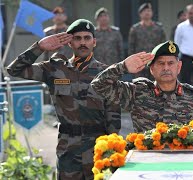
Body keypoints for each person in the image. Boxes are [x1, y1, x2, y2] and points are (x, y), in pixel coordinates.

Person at [6, 19, 121, 180]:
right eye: (77, 38)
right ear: (70, 43)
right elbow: (14, 69)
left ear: (94, 42)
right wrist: (39, 47)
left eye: (87, 38)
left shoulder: (106, 73)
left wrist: (112, 149)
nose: (82, 43)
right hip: (68, 150)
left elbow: (113, 115)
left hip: (98, 149)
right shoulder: (54, 70)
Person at [91, 41, 193, 132]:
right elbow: (97, 86)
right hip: (145, 161)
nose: (166, 68)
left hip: (183, 161)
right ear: (152, 69)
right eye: (161, 63)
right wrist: (123, 67)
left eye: (171, 63)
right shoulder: (137, 92)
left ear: (179, 67)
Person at [128, 3, 166, 78]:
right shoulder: (135, 29)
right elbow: (131, 48)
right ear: (140, 14)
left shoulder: (159, 28)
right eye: (144, 11)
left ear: (152, 13)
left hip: (155, 62)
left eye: (149, 10)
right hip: (140, 64)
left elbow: (163, 45)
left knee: (156, 86)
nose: (147, 13)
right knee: (139, 86)